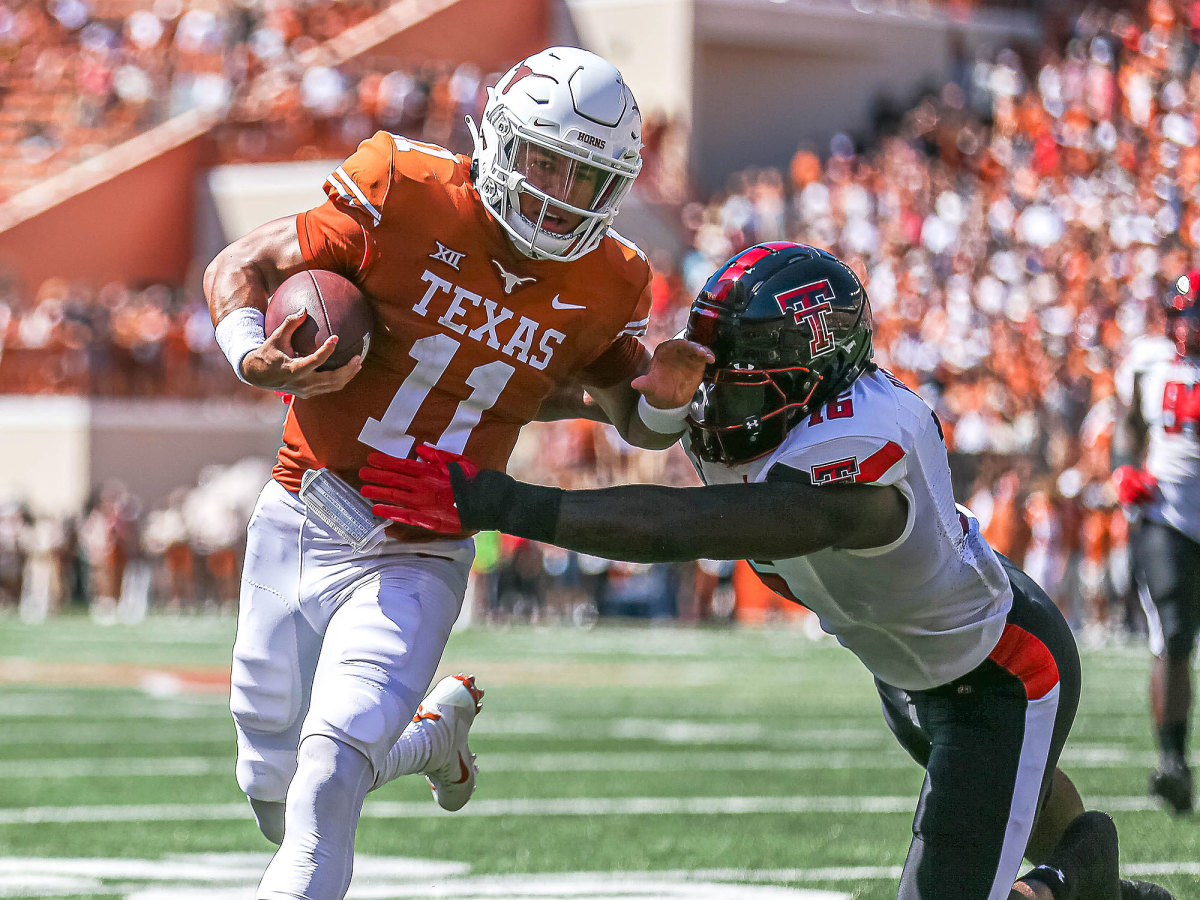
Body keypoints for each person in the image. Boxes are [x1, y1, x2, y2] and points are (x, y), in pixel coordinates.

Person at [360, 242, 1174, 900]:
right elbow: (562, 388)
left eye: (739, 388)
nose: (714, 405)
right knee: (1016, 802)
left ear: (812, 383)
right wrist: (398, 376)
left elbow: (696, 525)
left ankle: (1072, 880)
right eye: (713, 378)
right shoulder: (760, 405)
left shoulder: (860, 454)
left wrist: (497, 500)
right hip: (905, 669)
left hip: (997, 673)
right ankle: (1097, 879)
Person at [203, 46, 710, 900]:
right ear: (501, 140)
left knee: (329, 772)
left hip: (422, 544)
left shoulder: (608, 279)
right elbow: (239, 267)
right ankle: (432, 739)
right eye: (543, 161)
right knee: (271, 790)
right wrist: (251, 353)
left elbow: (629, 415)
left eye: (584, 175)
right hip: (303, 505)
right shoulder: (403, 190)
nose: (558, 193)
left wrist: (665, 402)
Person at [1112, 269, 1200, 815]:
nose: (1188, 327)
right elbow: (1128, 423)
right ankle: (1172, 762)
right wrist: (1124, 466)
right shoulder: (1147, 361)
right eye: (1182, 315)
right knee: (1173, 633)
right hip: (1165, 515)